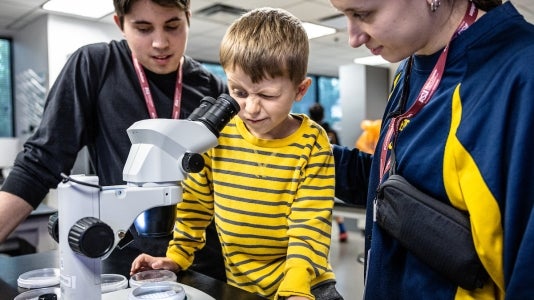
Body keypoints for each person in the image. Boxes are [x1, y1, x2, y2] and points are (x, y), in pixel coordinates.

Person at [0, 0, 227, 281]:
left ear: (188, 18)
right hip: (127, 261)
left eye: (172, 26)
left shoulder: (210, 87)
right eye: (143, 28)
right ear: (120, 23)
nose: (160, 42)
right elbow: (39, 164)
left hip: (201, 263)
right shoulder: (95, 66)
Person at [130, 7, 343, 300]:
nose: (251, 108)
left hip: (305, 281)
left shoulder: (312, 143)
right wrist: (177, 256)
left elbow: (310, 225)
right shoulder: (214, 136)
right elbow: (194, 207)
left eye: (267, 95)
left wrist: (296, 287)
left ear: (300, 90)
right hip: (241, 283)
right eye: (239, 93)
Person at [329, 0, 534, 298]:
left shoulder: (521, 76)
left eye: (363, 14)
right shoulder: (411, 67)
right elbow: (397, 189)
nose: (353, 37)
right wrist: (303, 149)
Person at [308, 103, 348, 242]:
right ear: (323, 114)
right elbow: (340, 151)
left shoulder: (307, 133)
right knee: (332, 203)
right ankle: (342, 230)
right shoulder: (331, 132)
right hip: (330, 173)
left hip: (311, 174)